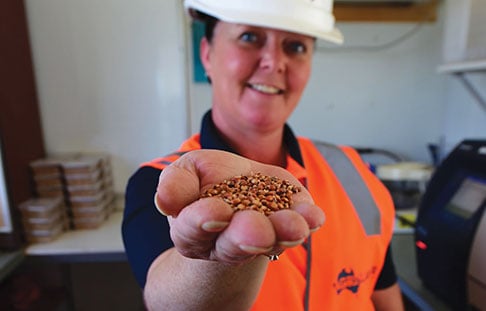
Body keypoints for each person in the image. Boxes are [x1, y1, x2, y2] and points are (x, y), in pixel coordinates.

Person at [122, 0, 405, 310]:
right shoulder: (162, 184)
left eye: (295, 46)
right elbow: (167, 299)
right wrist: (216, 261)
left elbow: (385, 296)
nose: (274, 62)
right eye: (249, 37)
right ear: (207, 54)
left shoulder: (352, 172)